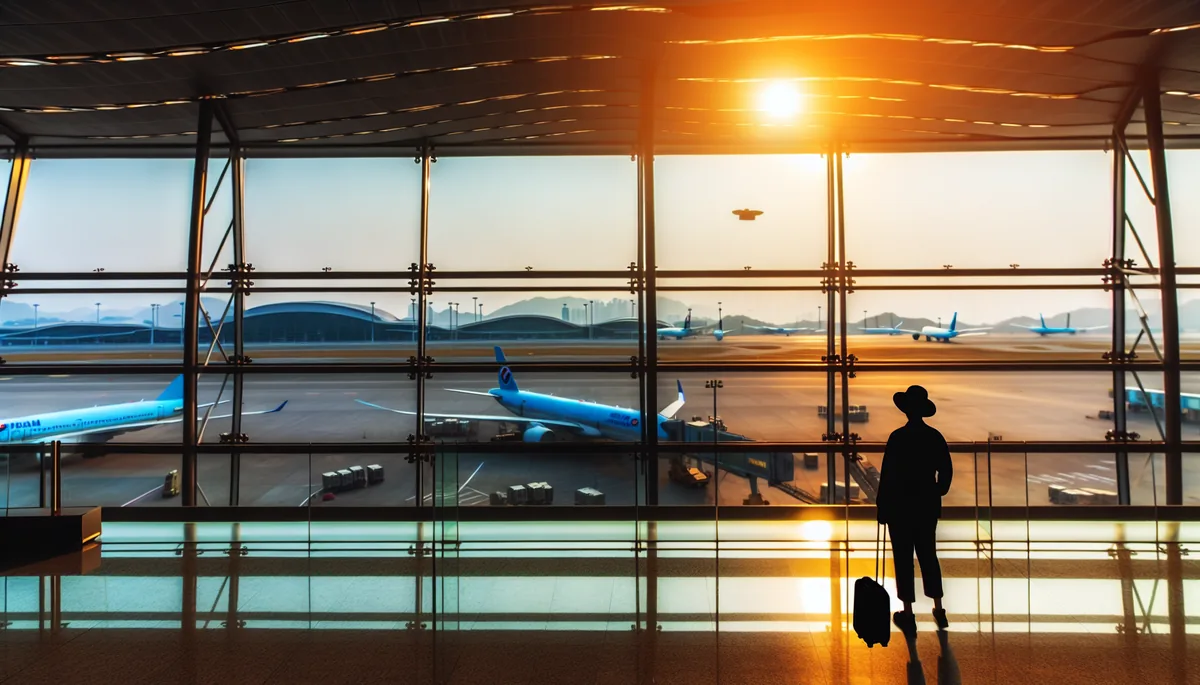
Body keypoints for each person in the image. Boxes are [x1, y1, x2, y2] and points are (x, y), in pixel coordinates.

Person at [876, 384, 953, 639]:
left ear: (906, 411)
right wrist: (937, 490)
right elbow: (946, 470)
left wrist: (882, 508)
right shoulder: (935, 437)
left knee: (903, 558)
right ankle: (939, 609)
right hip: (926, 505)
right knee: (928, 555)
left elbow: (886, 477)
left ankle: (908, 613)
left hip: (900, 506)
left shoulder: (897, 437)